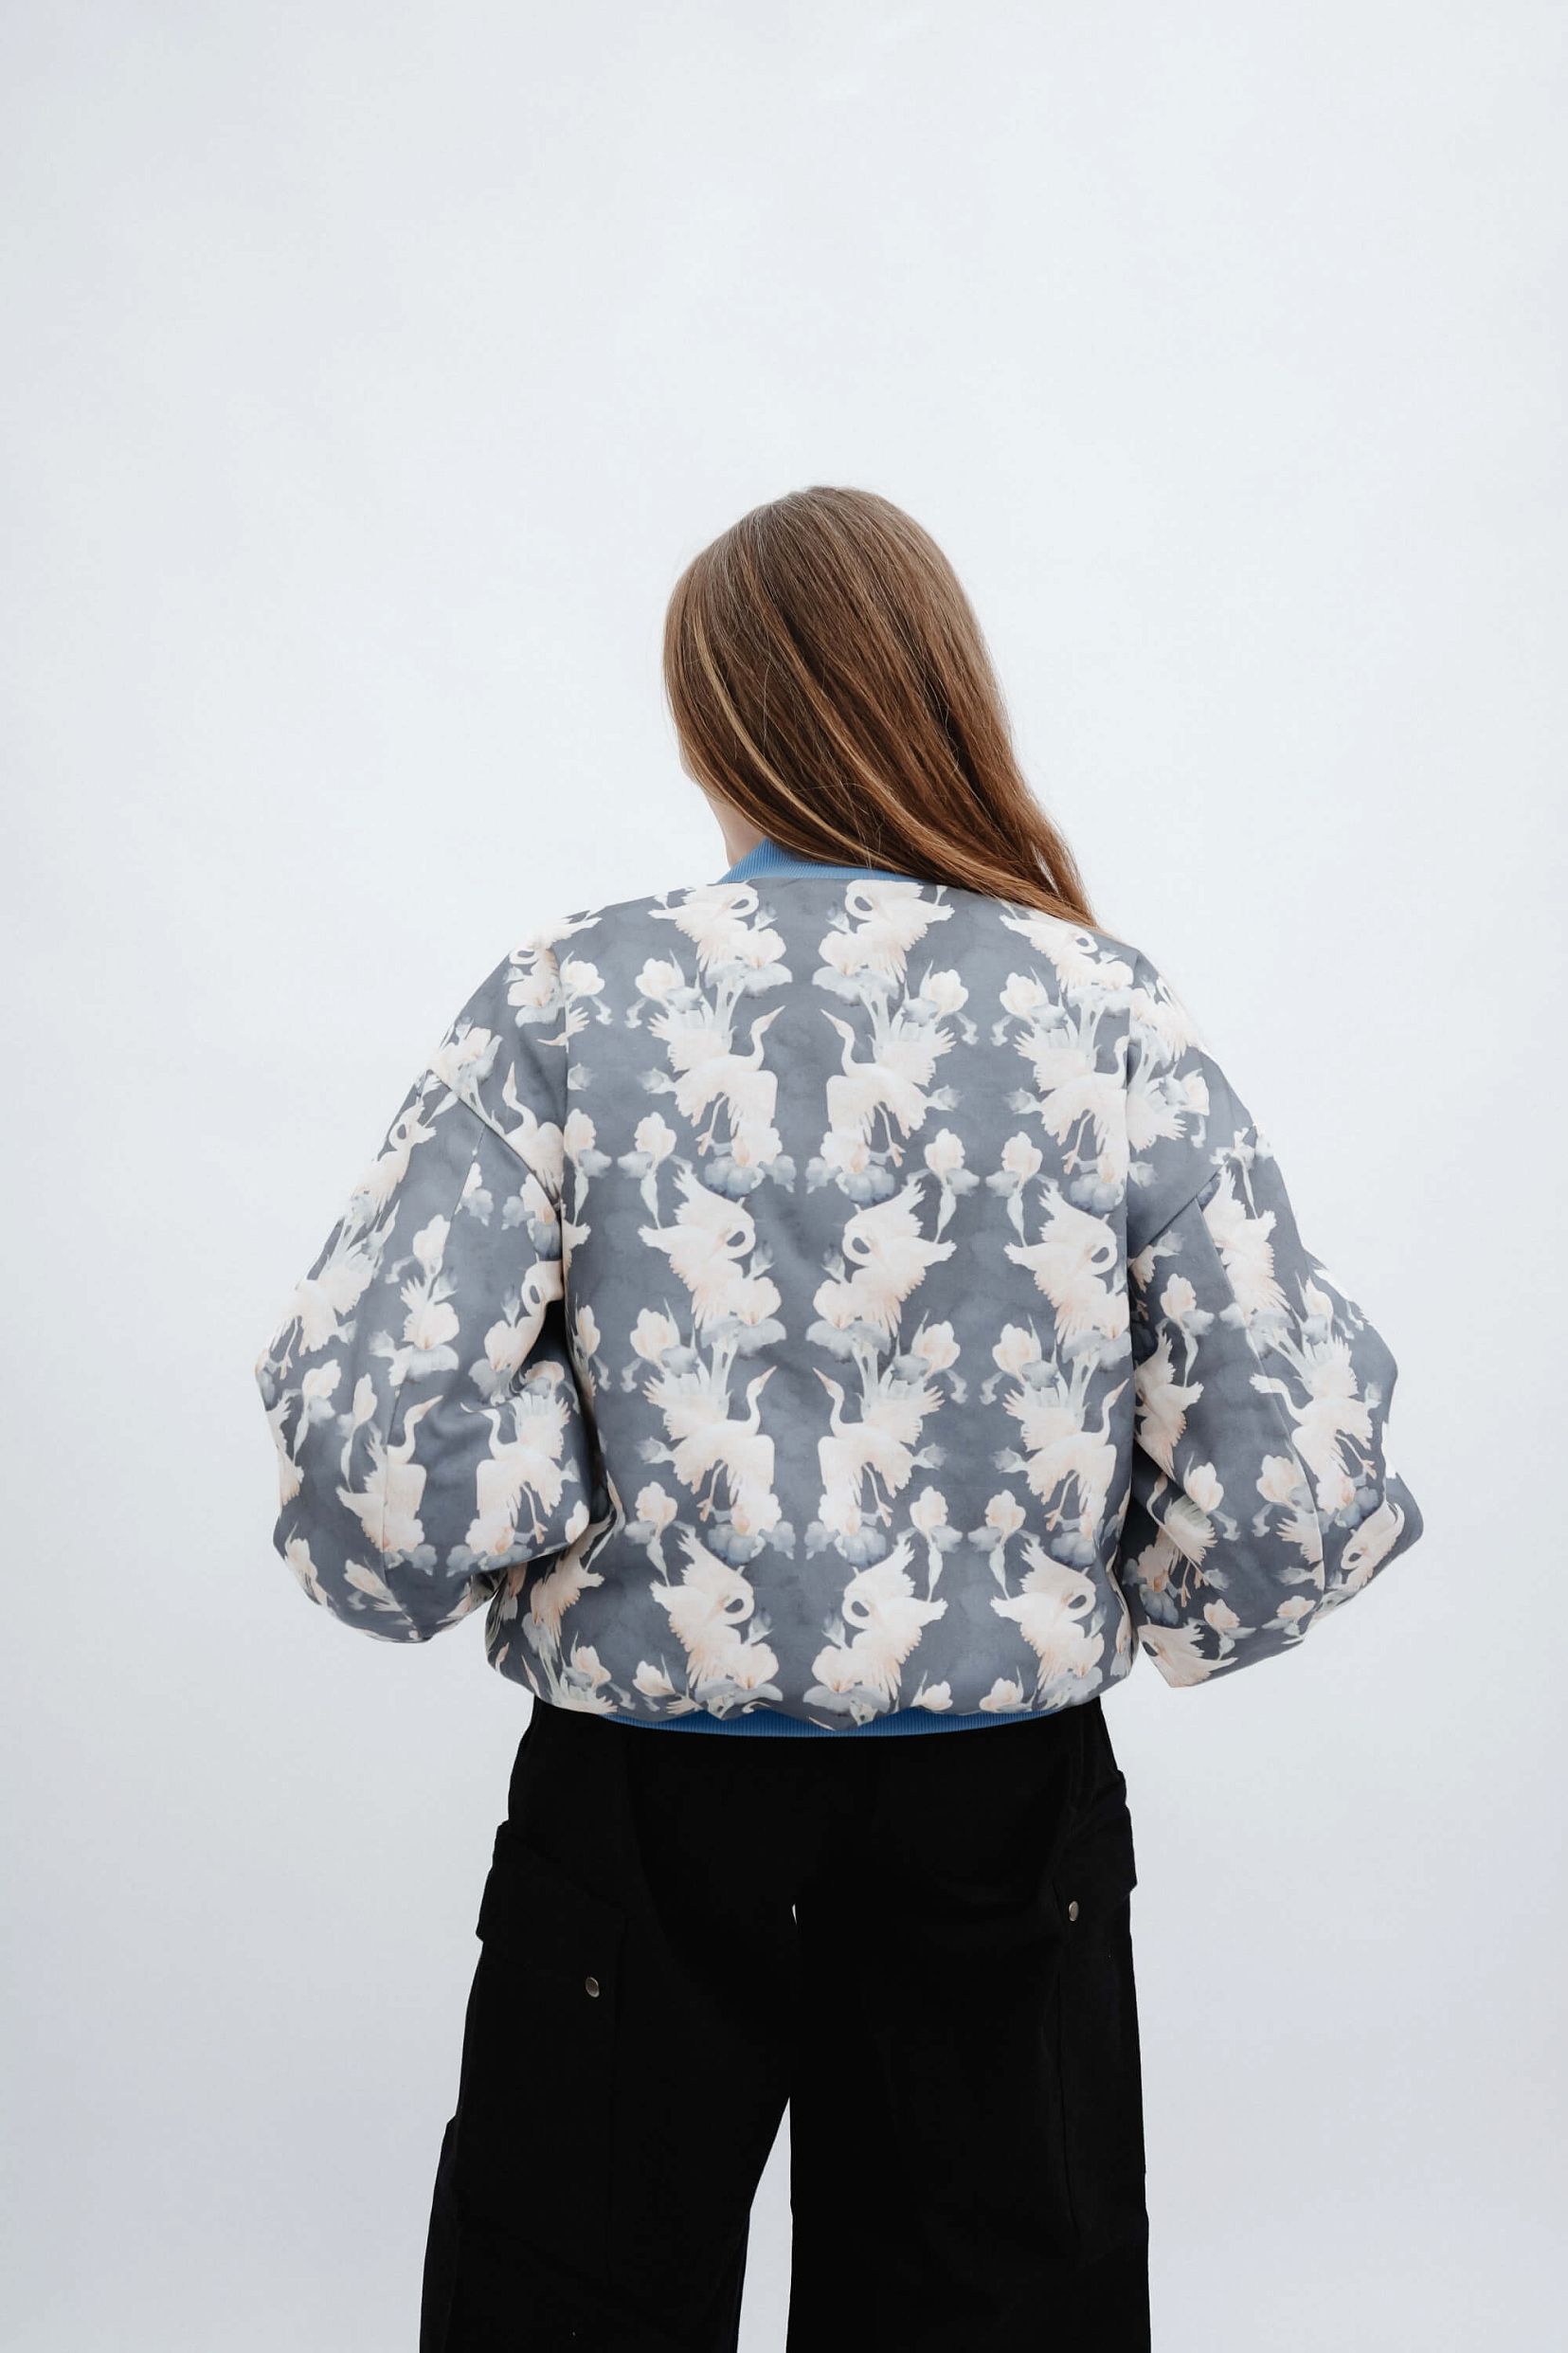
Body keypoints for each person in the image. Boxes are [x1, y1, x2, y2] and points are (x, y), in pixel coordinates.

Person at [254, 486, 1424, 2351]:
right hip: (1000, 1813)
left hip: (642, 1809)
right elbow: (1284, 1474)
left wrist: (584, 1486)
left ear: (710, 721)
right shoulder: (1104, 1011)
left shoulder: (567, 1001)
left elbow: (379, 1456)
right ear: (941, 695)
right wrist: (1123, 1575)